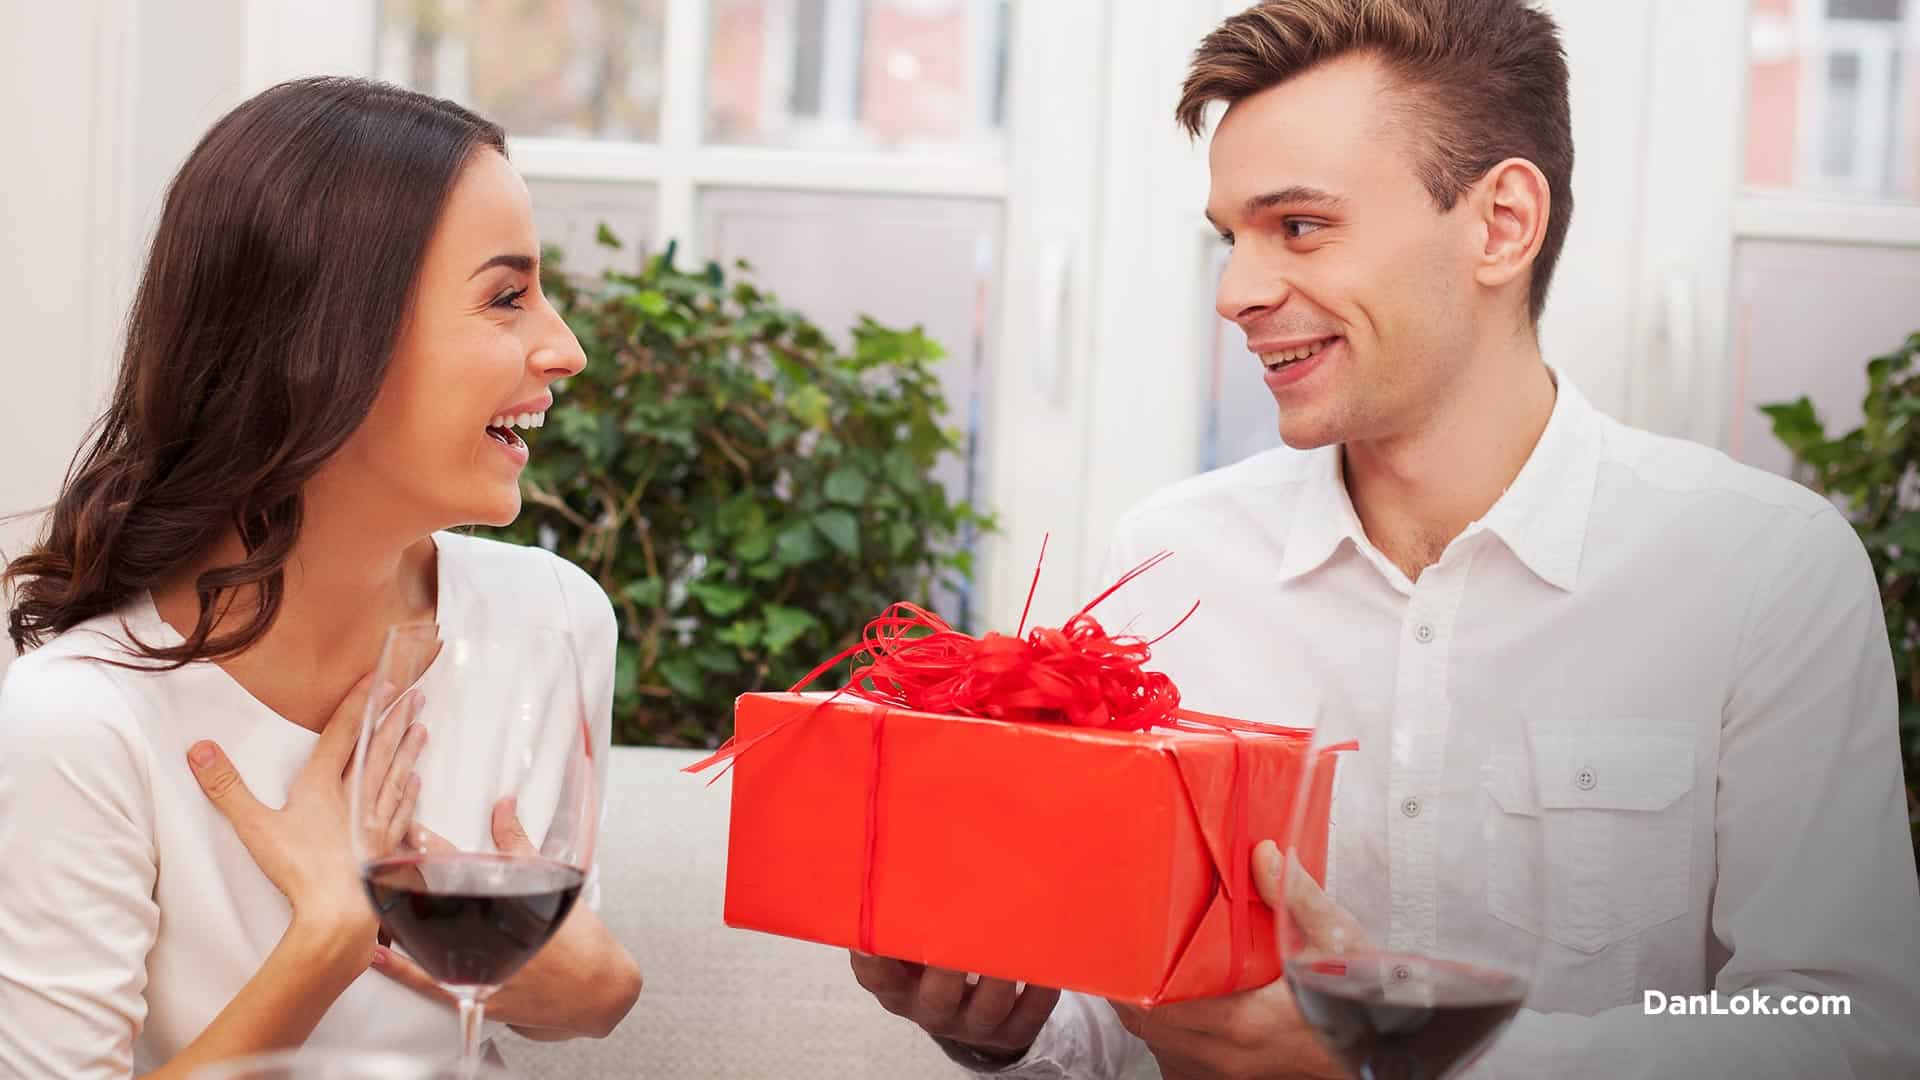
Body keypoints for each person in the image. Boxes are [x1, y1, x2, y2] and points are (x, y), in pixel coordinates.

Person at [848, 1, 1920, 1076]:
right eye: (1231, 238)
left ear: (1501, 224)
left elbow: (1843, 1024)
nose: (1236, 292)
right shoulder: (1172, 561)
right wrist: (1003, 1022)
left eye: (1300, 227)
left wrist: (1386, 1061)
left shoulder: (1765, 571)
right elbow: (1117, 1002)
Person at [0, 77, 642, 1077]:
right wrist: (326, 942)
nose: (566, 349)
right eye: (507, 297)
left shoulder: (552, 624)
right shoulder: (83, 723)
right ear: (321, 339)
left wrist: (600, 992)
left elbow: (546, 993)